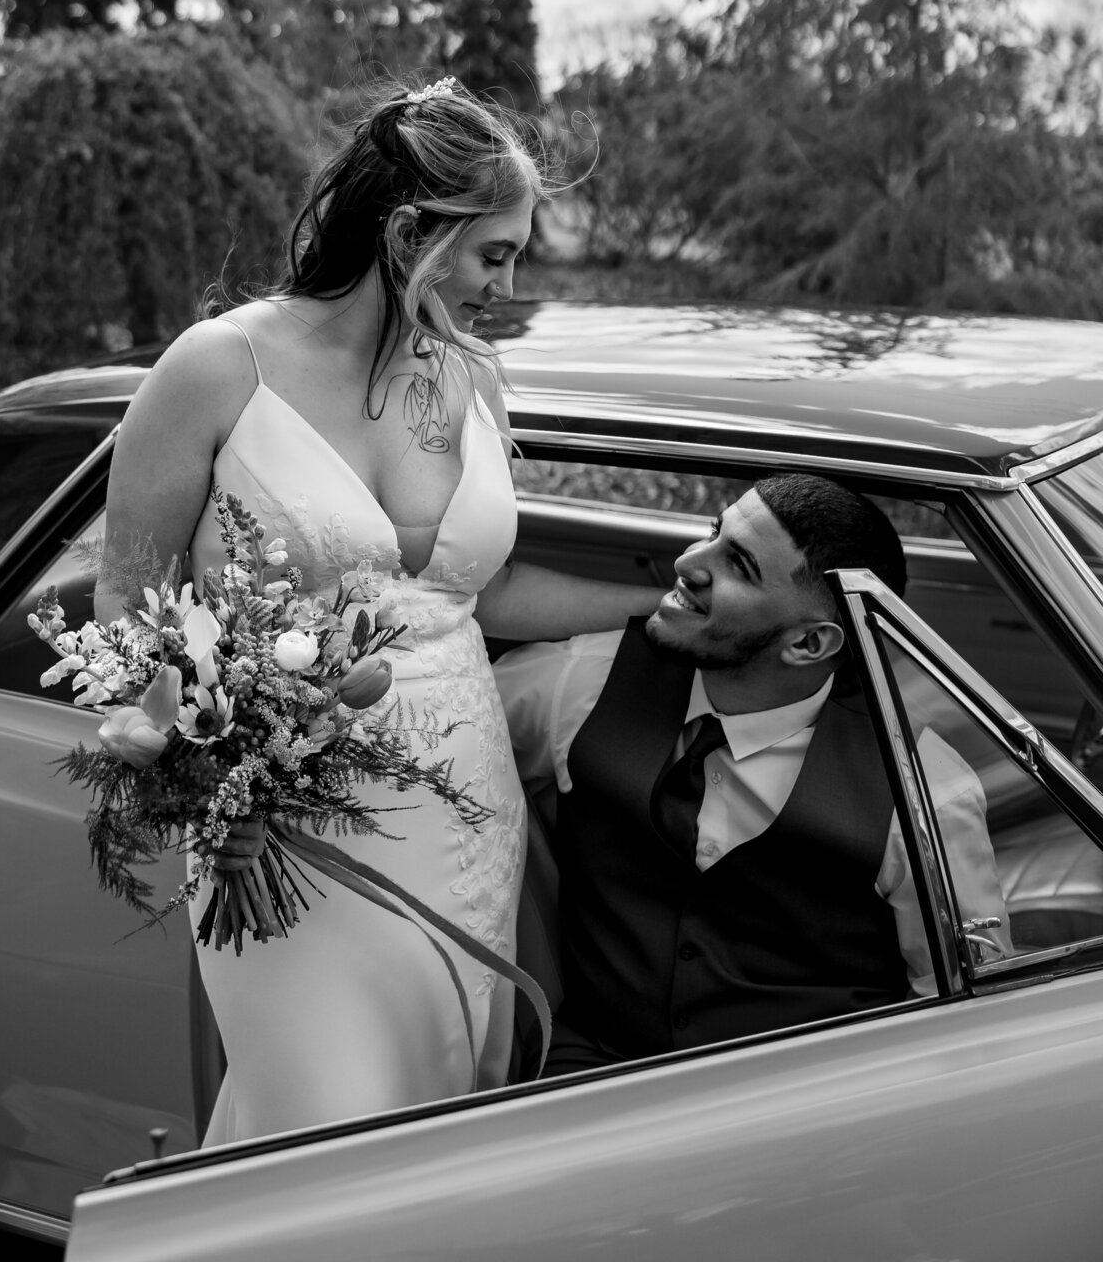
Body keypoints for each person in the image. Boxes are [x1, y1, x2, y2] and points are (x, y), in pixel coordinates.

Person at [97, 76, 661, 1141]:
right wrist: (209, 784)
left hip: (464, 808)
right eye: (495, 253)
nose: (508, 283)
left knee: (430, 1112)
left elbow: (477, 594)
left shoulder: (472, 376)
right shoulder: (217, 368)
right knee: (318, 1118)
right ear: (411, 234)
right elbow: (129, 606)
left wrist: (651, 599)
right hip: (280, 828)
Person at [496, 473, 1010, 1074]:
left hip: (806, 1114)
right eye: (713, 532)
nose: (687, 561)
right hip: (586, 1071)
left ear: (810, 643)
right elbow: (444, 749)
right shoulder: (581, 680)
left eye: (737, 564)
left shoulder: (925, 794)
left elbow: (960, 1010)